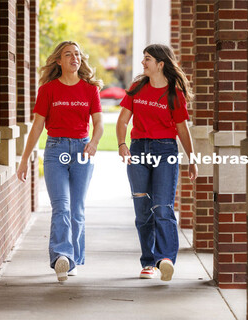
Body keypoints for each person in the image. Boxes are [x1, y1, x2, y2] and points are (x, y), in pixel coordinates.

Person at [16, 41, 103, 282]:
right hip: (55, 150)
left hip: (82, 150)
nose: (74, 58)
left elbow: (99, 123)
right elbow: (37, 127)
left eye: (77, 54)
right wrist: (24, 160)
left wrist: (94, 142)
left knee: (77, 210)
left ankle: (71, 258)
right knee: (62, 206)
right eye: (68, 54)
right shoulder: (48, 89)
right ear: (59, 61)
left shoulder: (89, 90)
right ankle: (61, 257)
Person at [117, 44, 197, 281]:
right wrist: (122, 144)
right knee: (143, 211)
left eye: (148, 59)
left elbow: (182, 129)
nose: (143, 63)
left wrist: (192, 160)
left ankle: (166, 260)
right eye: (144, 58)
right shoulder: (137, 88)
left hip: (165, 150)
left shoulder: (174, 94)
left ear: (161, 64)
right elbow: (122, 121)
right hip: (139, 150)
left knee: (162, 208)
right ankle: (149, 262)